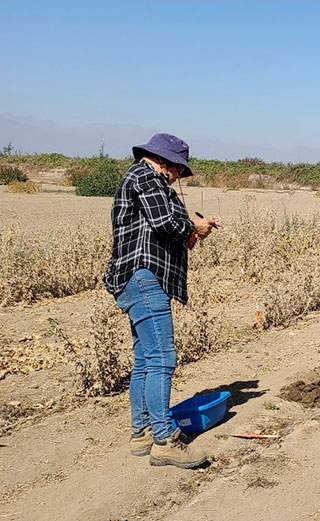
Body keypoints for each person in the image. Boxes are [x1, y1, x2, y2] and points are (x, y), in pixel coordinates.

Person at [103, 133, 221, 468]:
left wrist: (196, 231)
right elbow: (167, 222)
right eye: (177, 171)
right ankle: (164, 440)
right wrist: (194, 226)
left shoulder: (147, 181)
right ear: (165, 162)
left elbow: (169, 235)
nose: (176, 178)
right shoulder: (145, 176)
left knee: (145, 359)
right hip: (143, 279)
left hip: (136, 279)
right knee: (162, 359)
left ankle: (141, 433)